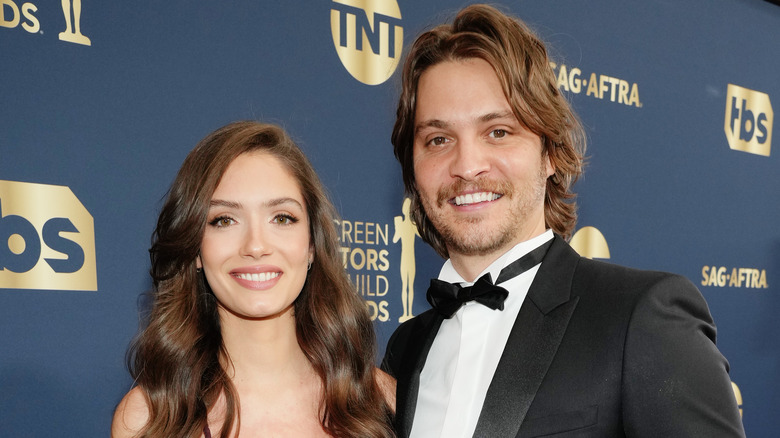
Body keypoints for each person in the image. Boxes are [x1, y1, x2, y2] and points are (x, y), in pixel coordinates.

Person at [381, 4, 745, 438]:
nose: (467, 165)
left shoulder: (640, 319)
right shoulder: (405, 350)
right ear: (413, 168)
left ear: (550, 153)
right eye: (438, 140)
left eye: (498, 131)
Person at [112, 121, 395, 437]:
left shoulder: (379, 399)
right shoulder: (148, 420)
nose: (256, 246)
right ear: (195, 248)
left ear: (312, 244)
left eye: (282, 218)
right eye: (224, 220)